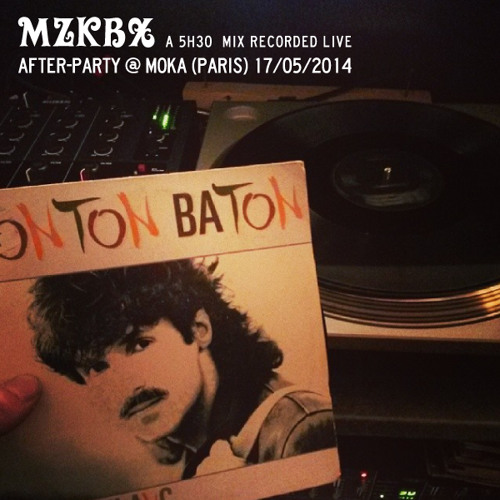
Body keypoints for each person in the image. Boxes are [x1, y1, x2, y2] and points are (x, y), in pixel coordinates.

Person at [27, 259, 335, 478]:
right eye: (97, 366)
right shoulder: (189, 447)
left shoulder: (300, 431)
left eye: (139, 344)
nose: (126, 384)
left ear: (199, 329)